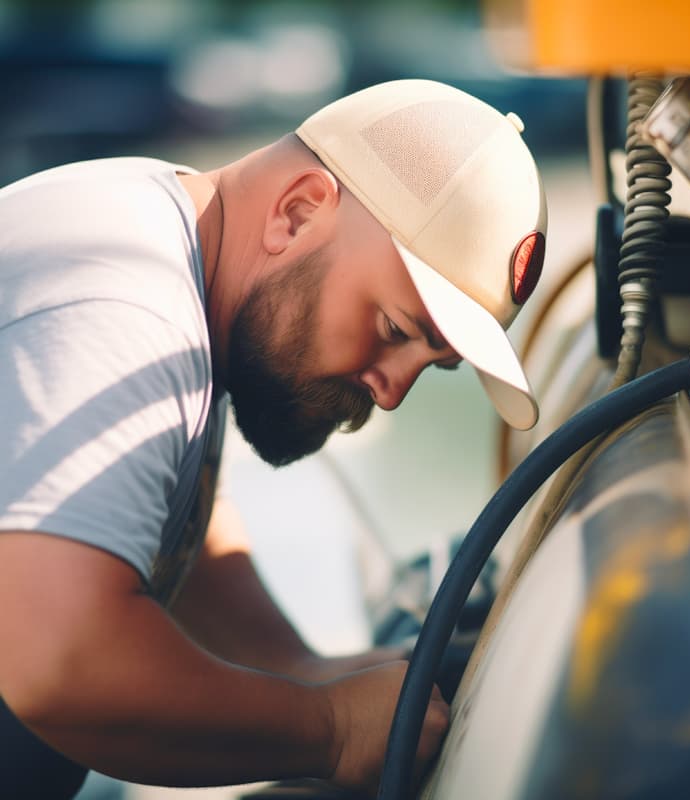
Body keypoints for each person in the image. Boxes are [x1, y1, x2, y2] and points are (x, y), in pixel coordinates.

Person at [0, 79, 547, 799]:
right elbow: (58, 658)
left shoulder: (154, 237)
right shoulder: (124, 310)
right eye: (394, 330)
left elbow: (149, 503)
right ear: (297, 212)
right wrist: (328, 728)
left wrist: (299, 666)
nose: (392, 391)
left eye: (432, 366)